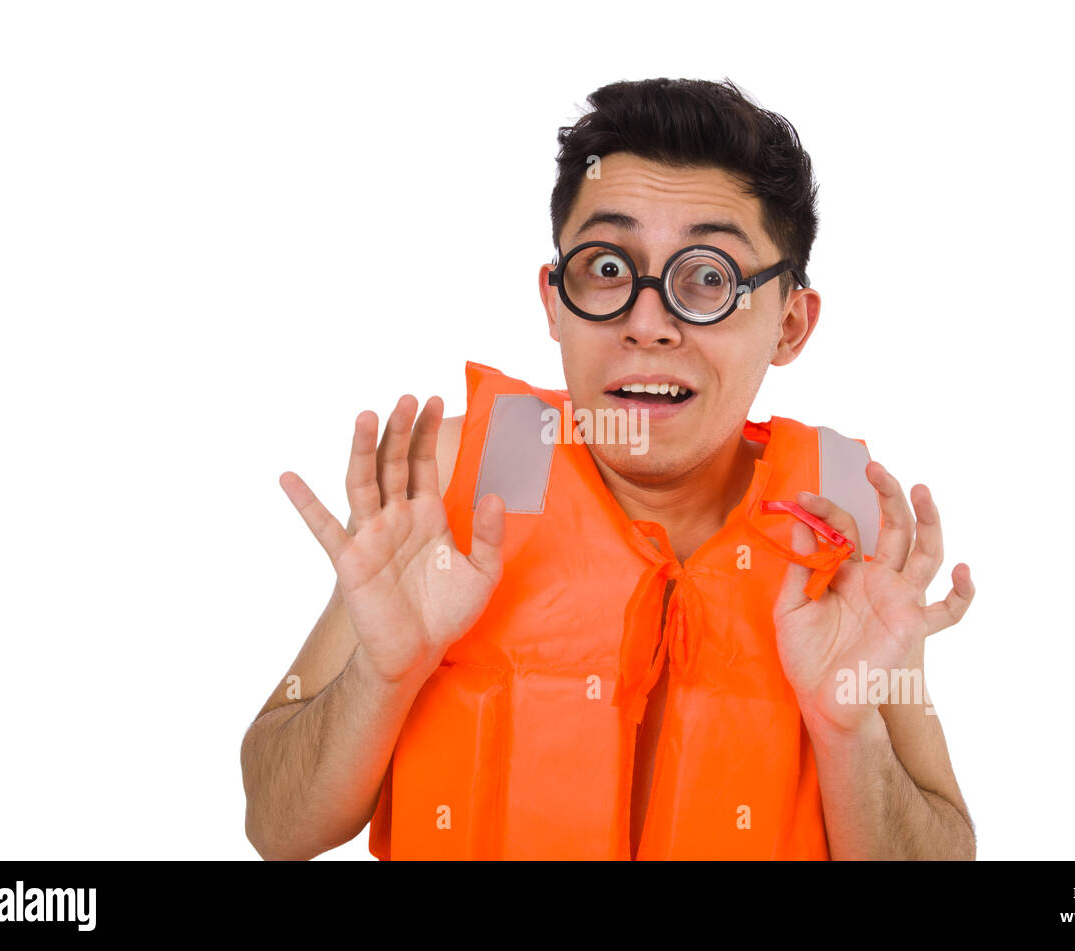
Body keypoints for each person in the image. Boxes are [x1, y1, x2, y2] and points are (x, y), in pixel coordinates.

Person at [240, 77, 976, 860]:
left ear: (790, 323)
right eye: (609, 269)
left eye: (709, 278)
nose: (649, 323)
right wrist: (382, 678)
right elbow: (277, 826)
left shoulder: (841, 521)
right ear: (556, 300)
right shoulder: (459, 478)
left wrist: (848, 725)